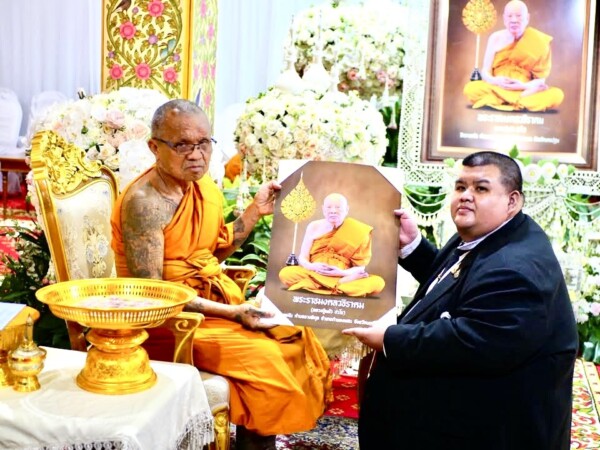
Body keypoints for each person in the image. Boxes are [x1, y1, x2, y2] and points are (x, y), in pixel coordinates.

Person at [110, 99, 331, 450]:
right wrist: (233, 313)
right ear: (154, 147)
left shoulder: (200, 186)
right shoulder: (145, 202)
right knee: (266, 358)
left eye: (203, 143)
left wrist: (255, 210)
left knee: (293, 334)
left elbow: (209, 254)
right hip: (167, 326)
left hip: (207, 308)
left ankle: (255, 443)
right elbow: (154, 295)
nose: (196, 155)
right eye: (182, 145)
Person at [343, 151, 578, 449]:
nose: (466, 196)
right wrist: (413, 247)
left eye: (481, 188)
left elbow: (472, 341)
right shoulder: (490, 233)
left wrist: (390, 339)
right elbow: (460, 287)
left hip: (485, 430)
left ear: (512, 201)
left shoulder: (515, 268)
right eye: (460, 187)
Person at [463, 0, 564, 112]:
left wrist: (522, 86)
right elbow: (485, 72)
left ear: (527, 18)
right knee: (470, 89)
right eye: (510, 16)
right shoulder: (495, 38)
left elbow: (541, 81)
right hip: (498, 88)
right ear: (504, 19)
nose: (514, 20)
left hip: (523, 89)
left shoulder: (539, 41)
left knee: (557, 95)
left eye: (519, 16)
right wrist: (496, 81)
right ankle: (519, 102)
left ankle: (503, 101)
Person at [278, 192, 385, 297]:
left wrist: (341, 273)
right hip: (314, 273)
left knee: (378, 283)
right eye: (329, 207)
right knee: (286, 273)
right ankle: (339, 286)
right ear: (323, 209)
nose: (333, 211)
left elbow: (360, 268)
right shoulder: (314, 226)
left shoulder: (358, 231)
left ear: (346, 209)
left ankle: (320, 286)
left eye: (338, 207)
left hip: (341, 275)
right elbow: (303, 256)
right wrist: (312, 266)